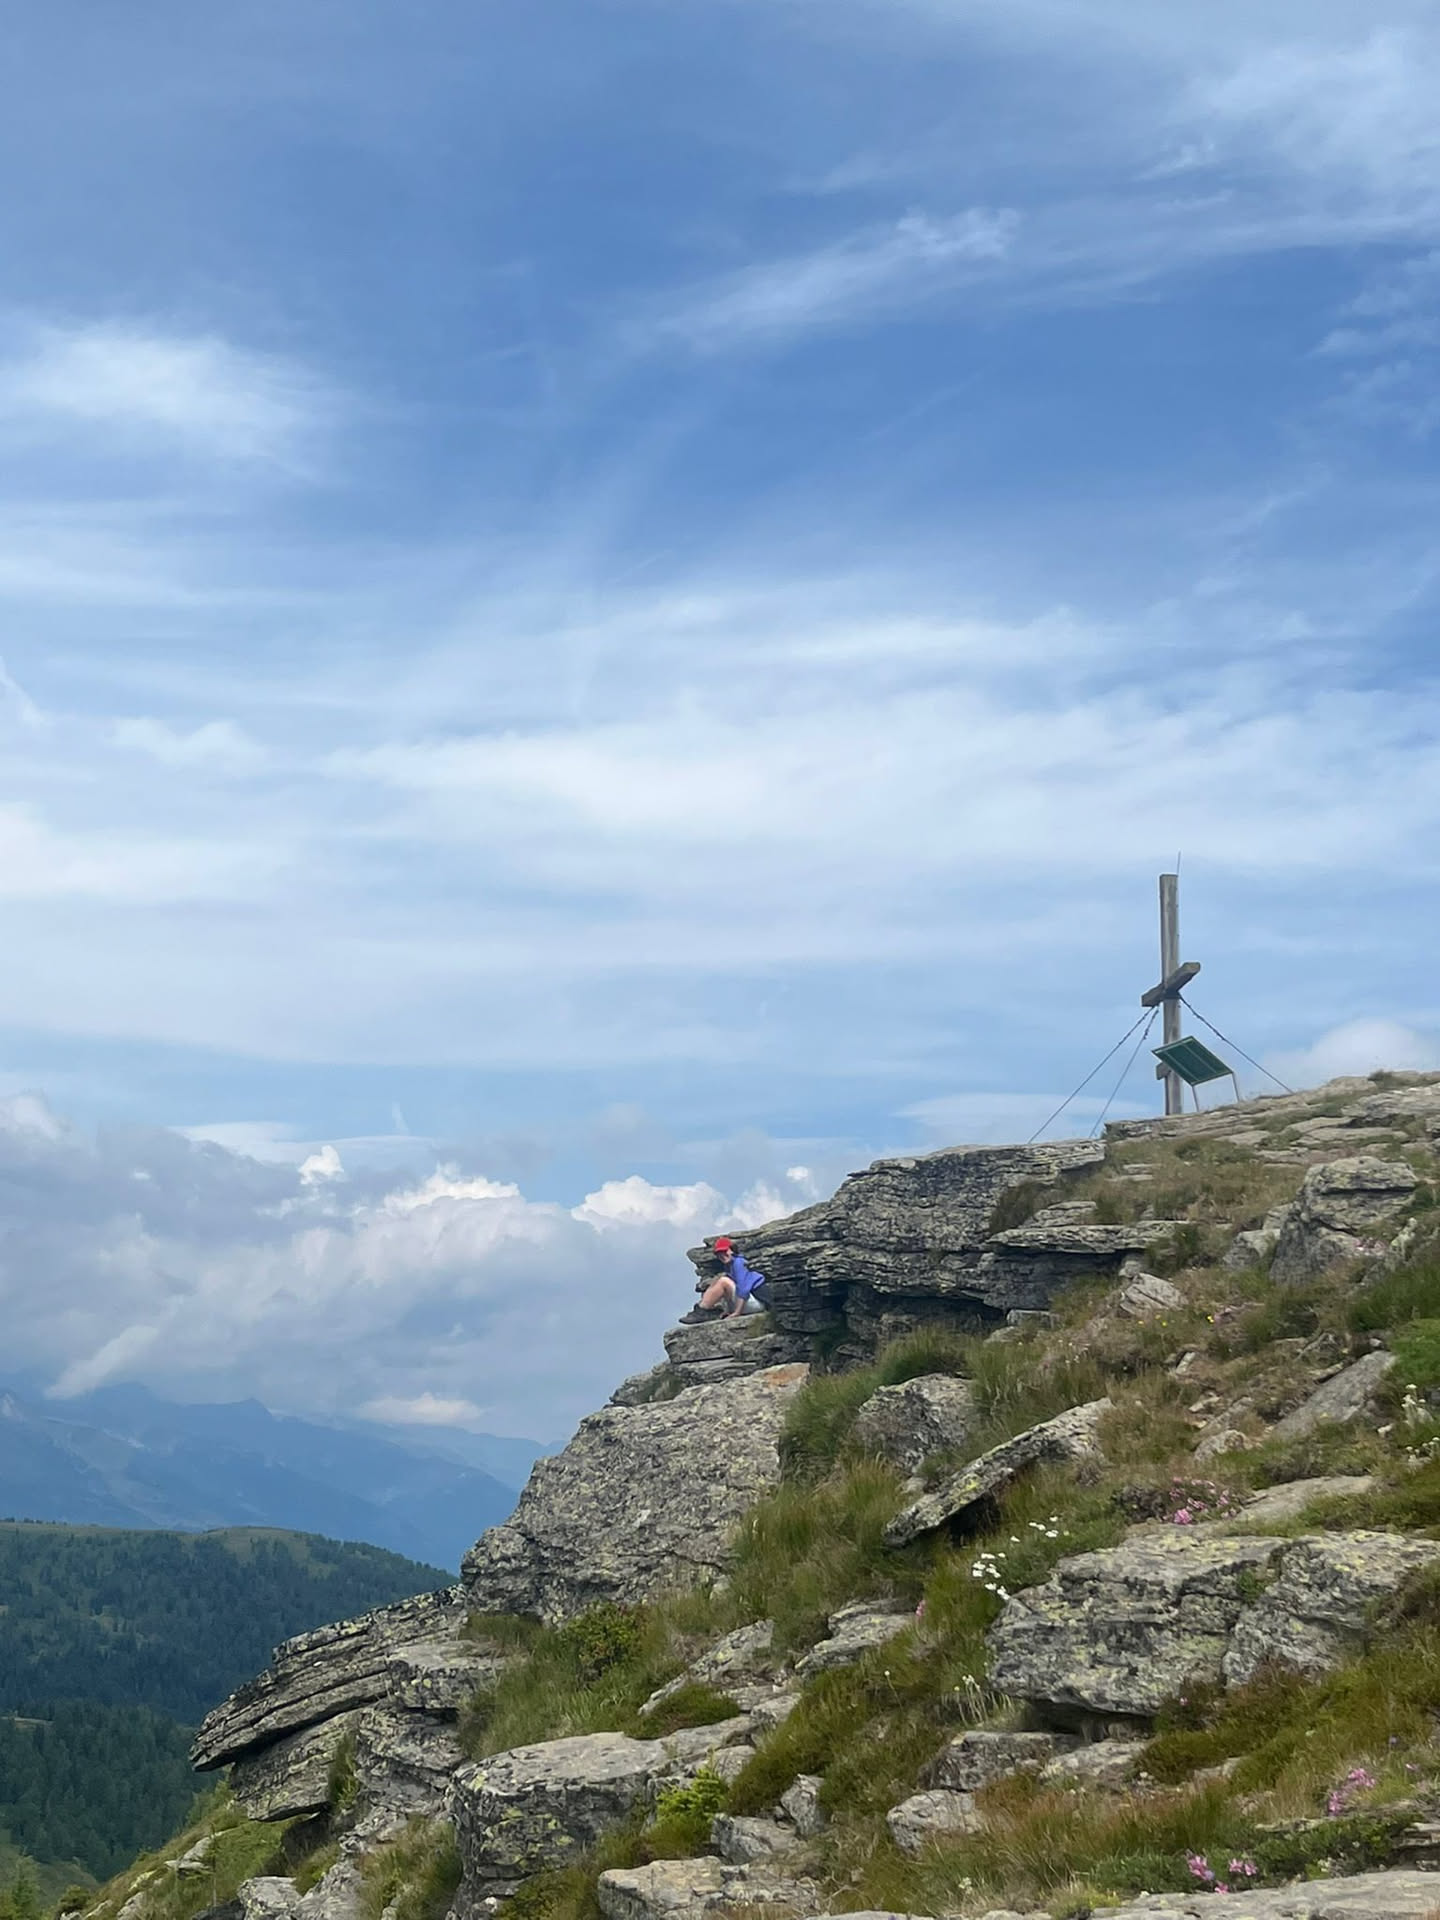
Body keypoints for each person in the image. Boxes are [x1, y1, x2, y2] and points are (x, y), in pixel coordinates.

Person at [684, 1236, 769, 1321]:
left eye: (724, 1251)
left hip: (758, 1303)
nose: (722, 1255)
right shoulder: (730, 1266)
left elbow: (743, 1289)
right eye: (719, 1253)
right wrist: (728, 1311)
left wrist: (737, 1313)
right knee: (719, 1282)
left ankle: (702, 1310)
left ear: (732, 1250)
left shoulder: (738, 1263)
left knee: (723, 1281)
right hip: (751, 1303)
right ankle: (705, 1309)